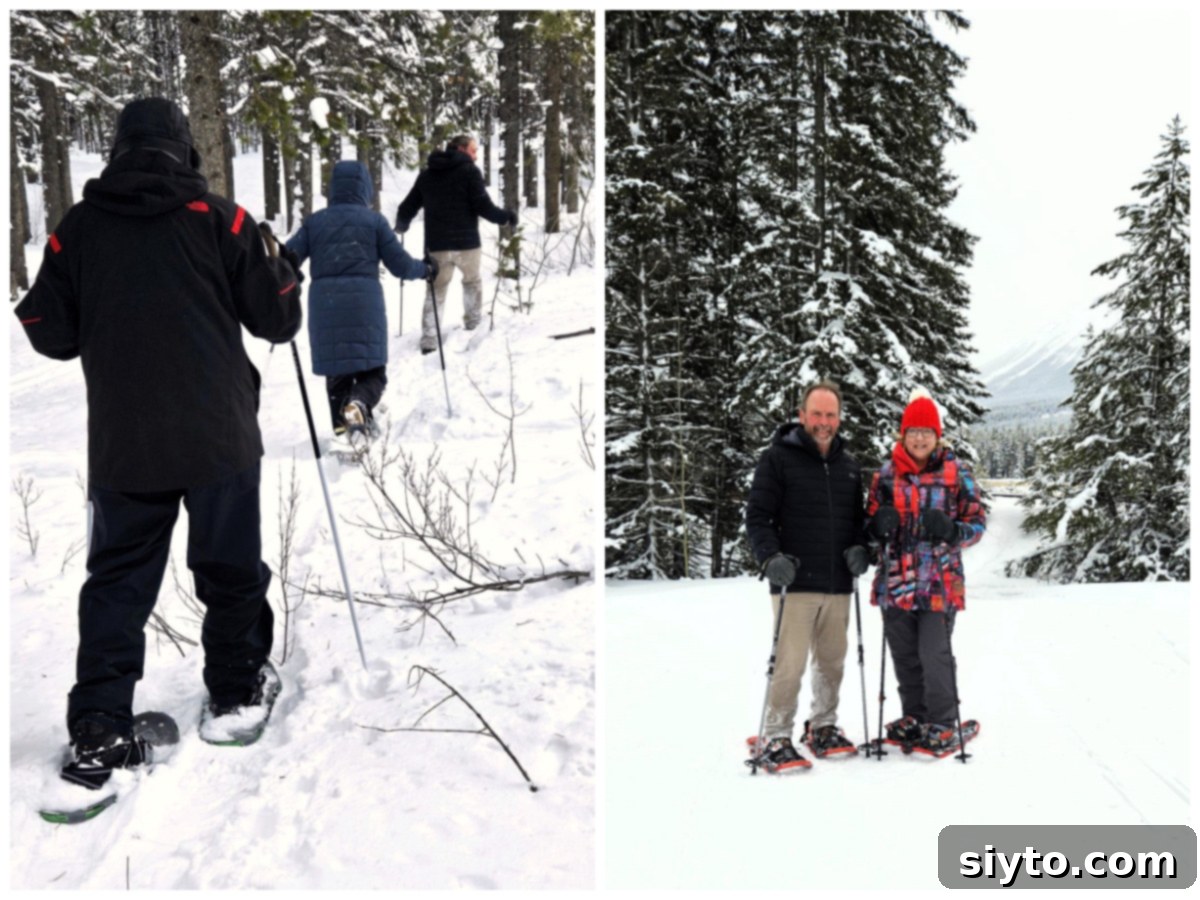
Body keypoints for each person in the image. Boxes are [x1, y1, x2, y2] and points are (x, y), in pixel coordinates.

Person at [13, 97, 302, 788]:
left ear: (117, 148)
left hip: (126, 444)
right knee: (229, 565)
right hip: (219, 438)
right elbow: (278, 321)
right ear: (184, 149)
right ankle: (235, 690)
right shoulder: (221, 219)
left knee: (117, 582)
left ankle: (99, 731)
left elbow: (49, 330)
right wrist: (282, 267)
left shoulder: (79, 228)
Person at [745, 380, 869, 769]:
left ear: (839, 418)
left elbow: (858, 522)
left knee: (832, 660)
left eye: (830, 414)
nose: (823, 421)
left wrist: (862, 549)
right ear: (801, 416)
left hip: (837, 583)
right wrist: (769, 558)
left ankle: (823, 724)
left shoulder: (848, 466)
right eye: (816, 413)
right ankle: (777, 733)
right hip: (794, 581)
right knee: (790, 662)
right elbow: (757, 516)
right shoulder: (778, 458)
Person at [863, 388, 986, 756]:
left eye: (926, 431)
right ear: (903, 434)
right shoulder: (885, 475)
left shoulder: (956, 471)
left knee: (934, 652)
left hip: (939, 582)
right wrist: (875, 527)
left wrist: (953, 530)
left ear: (937, 435)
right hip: (895, 581)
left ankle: (943, 721)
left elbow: (977, 523)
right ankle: (914, 716)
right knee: (904, 653)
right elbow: (869, 523)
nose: (919, 438)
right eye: (913, 431)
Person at [286, 160, 432, 437]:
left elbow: (288, 258)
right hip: (364, 306)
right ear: (364, 188)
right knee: (372, 370)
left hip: (325, 307)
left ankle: (344, 432)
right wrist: (425, 269)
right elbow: (400, 265)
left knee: (337, 373)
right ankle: (360, 404)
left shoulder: (315, 222)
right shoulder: (374, 221)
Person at [394, 134, 517, 354]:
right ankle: (473, 323)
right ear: (461, 149)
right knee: (472, 282)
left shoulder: (427, 175)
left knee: (436, 290)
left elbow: (408, 206)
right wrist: (506, 217)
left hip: (438, 245)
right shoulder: (470, 172)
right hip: (467, 244)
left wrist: (402, 224)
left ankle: (430, 338)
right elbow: (483, 206)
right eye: (473, 150)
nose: (476, 155)